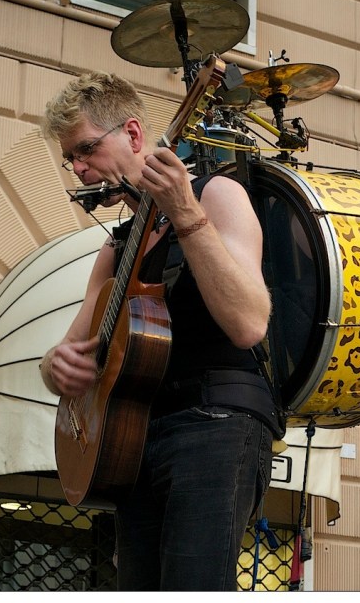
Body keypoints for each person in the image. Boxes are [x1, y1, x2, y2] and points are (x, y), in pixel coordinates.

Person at [40, 70, 282, 591]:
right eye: (71, 158)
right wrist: (55, 367)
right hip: (135, 435)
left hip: (216, 419)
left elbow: (249, 323)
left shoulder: (216, 194)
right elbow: (71, 350)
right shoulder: (116, 246)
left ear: (132, 134)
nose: (78, 168)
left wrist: (185, 213)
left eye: (86, 149)